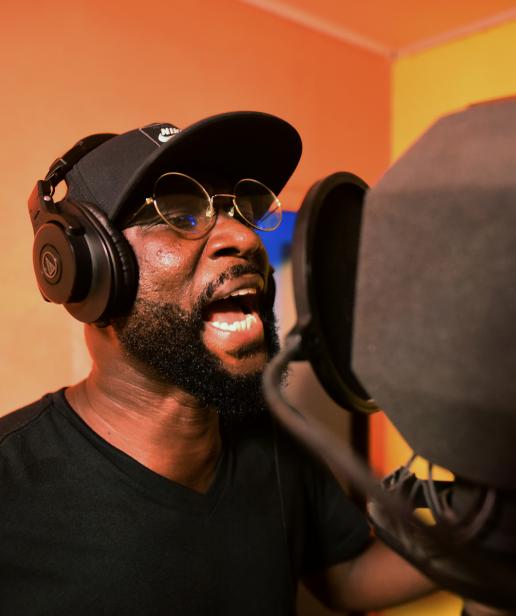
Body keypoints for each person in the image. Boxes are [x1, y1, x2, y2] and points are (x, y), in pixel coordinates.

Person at [0, 112, 433, 614]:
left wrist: (500, 523)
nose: (246, 239)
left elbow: (347, 575)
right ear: (89, 270)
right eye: (180, 212)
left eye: (243, 210)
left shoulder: (274, 436)